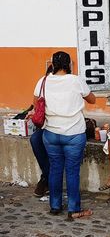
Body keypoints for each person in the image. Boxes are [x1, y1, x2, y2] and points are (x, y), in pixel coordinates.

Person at [33, 51, 96, 220]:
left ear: (52, 65)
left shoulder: (43, 81)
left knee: (55, 169)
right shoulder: (76, 80)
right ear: (68, 65)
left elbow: (35, 105)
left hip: (51, 133)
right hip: (74, 133)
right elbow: (92, 100)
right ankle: (74, 209)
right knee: (72, 171)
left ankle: (55, 206)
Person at [28, 65, 53, 197]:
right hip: (45, 125)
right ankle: (47, 177)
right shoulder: (42, 82)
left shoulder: (68, 84)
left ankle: (45, 179)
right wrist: (32, 113)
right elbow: (35, 105)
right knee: (35, 139)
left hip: (62, 127)